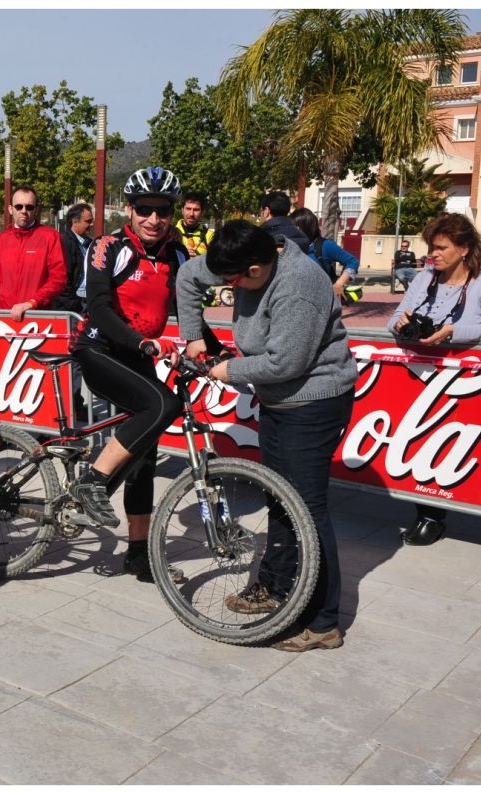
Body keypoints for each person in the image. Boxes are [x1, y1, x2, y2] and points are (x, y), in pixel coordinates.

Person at [178, 220, 358, 652]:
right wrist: (193, 338)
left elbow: (285, 363)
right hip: (279, 402)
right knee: (279, 499)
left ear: (256, 269)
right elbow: (187, 276)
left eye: (233, 282)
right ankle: (276, 588)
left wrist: (228, 370)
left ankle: (323, 620)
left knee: (307, 510)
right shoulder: (244, 256)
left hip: (312, 402)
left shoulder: (298, 285)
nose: (228, 288)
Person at [66, 167, 191, 583]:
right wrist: (141, 342)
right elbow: (99, 307)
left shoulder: (178, 254)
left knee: (144, 453)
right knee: (164, 404)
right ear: (130, 209)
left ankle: (138, 553)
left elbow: (190, 312)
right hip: (99, 348)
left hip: (137, 355)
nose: (153, 219)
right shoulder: (107, 246)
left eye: (162, 211)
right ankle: (93, 481)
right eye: (144, 209)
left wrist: (208, 345)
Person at [387, 213, 481, 546]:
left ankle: (445, 510)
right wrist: (400, 325)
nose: (434, 255)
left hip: (466, 379)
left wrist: (454, 332)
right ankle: (428, 513)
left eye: (441, 248)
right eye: (431, 248)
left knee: (452, 447)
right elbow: (395, 318)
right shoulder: (423, 278)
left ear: (464, 248)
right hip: (418, 374)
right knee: (418, 442)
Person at [0, 184, 66, 325]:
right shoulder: (2, 239)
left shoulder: (50, 237)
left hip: (37, 319)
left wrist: (31, 303)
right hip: (4, 318)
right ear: (11, 209)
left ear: (36, 210)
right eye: (19, 206)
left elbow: (58, 279)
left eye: (29, 207)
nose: (24, 211)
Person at [290, 207, 360, 301]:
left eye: (295, 228)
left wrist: (339, 284)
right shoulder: (290, 246)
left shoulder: (325, 246)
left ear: (305, 228)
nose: (291, 231)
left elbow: (353, 262)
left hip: (321, 302)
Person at [56, 202, 94, 313]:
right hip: (72, 309)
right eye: (88, 221)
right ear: (75, 222)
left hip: (86, 304)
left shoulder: (90, 244)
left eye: (91, 221)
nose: (91, 225)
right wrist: (75, 305)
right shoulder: (64, 243)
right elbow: (62, 279)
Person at [173, 191, 215, 258]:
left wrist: (197, 259)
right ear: (182, 210)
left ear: (202, 212)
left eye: (196, 210)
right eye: (188, 209)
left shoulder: (209, 235)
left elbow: (216, 262)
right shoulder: (171, 233)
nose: (191, 214)